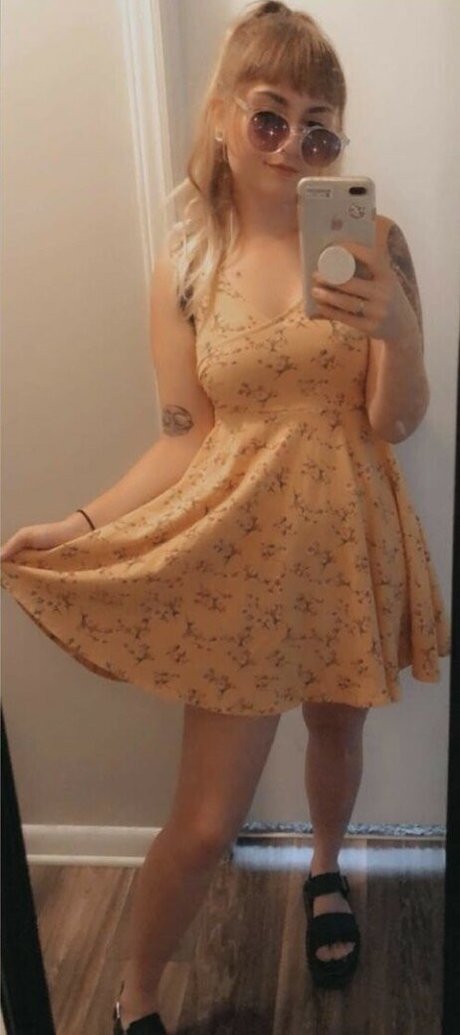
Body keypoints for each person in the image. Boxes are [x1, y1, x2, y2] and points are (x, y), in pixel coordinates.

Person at [0, 2, 451, 1032]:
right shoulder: (186, 268)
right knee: (204, 823)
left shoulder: (374, 242)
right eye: (270, 116)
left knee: (337, 726)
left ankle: (325, 868)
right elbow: (182, 437)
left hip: (349, 537)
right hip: (240, 553)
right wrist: (80, 524)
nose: (292, 145)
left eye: (319, 129)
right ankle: (136, 992)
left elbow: (393, 421)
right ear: (222, 116)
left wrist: (399, 331)